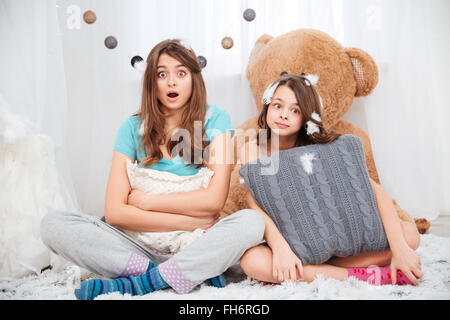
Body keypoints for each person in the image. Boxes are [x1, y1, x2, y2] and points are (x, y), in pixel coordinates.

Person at [40, 39, 265, 300]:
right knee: (53, 224)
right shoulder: (131, 128)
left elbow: (214, 202)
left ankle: (143, 282)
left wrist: (146, 202)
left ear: (193, 79)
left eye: (181, 73)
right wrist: (188, 220)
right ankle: (170, 273)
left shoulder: (215, 118)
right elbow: (114, 213)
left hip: (193, 243)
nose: (172, 82)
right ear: (152, 82)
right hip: (134, 246)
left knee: (252, 221)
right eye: (162, 74)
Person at [238, 73, 423, 286]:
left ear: (307, 116)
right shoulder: (253, 150)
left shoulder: (324, 148)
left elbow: (374, 192)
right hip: (293, 244)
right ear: (267, 106)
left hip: (336, 242)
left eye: (295, 110)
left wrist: (400, 249)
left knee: (409, 235)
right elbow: (256, 206)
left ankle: (320, 270)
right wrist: (280, 248)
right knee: (252, 261)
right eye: (277, 106)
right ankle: (360, 276)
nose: (284, 115)